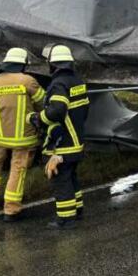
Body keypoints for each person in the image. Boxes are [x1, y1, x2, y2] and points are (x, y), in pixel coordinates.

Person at [0, 47, 47, 221]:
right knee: (18, 169)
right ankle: (11, 209)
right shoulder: (28, 81)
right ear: (23, 65)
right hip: (24, 138)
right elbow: (43, 104)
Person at [30, 44, 89, 230]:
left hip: (62, 144)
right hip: (77, 140)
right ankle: (77, 210)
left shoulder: (58, 84)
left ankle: (66, 218)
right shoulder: (77, 81)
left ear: (53, 64)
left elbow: (56, 111)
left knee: (61, 180)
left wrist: (38, 118)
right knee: (71, 177)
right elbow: (84, 110)